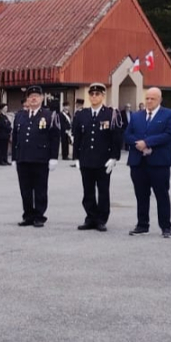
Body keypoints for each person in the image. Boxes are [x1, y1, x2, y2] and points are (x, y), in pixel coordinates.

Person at [124, 87, 171, 238]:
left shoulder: (169, 115)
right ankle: (142, 225)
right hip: (138, 162)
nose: (148, 101)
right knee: (141, 195)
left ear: (159, 99)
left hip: (159, 163)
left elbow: (169, 134)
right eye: (147, 98)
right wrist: (138, 143)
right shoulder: (136, 116)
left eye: (152, 98)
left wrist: (147, 142)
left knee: (161, 195)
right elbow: (127, 134)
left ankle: (166, 226)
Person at [71, 83, 123, 231]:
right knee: (88, 191)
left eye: (97, 94)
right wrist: (76, 157)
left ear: (103, 96)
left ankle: (101, 219)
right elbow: (78, 138)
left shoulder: (111, 114)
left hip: (103, 160)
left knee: (103, 191)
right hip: (86, 159)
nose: (94, 97)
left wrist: (114, 157)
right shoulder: (81, 114)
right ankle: (90, 218)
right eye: (92, 94)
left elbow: (116, 138)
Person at [12, 85, 61, 227]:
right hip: (23, 158)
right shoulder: (20, 115)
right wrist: (14, 157)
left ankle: (39, 216)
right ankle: (28, 215)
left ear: (42, 98)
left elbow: (54, 138)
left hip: (40, 158)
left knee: (40, 189)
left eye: (36, 96)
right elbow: (15, 137)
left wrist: (53, 158)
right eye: (31, 96)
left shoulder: (49, 115)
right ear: (27, 99)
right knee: (25, 189)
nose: (33, 98)